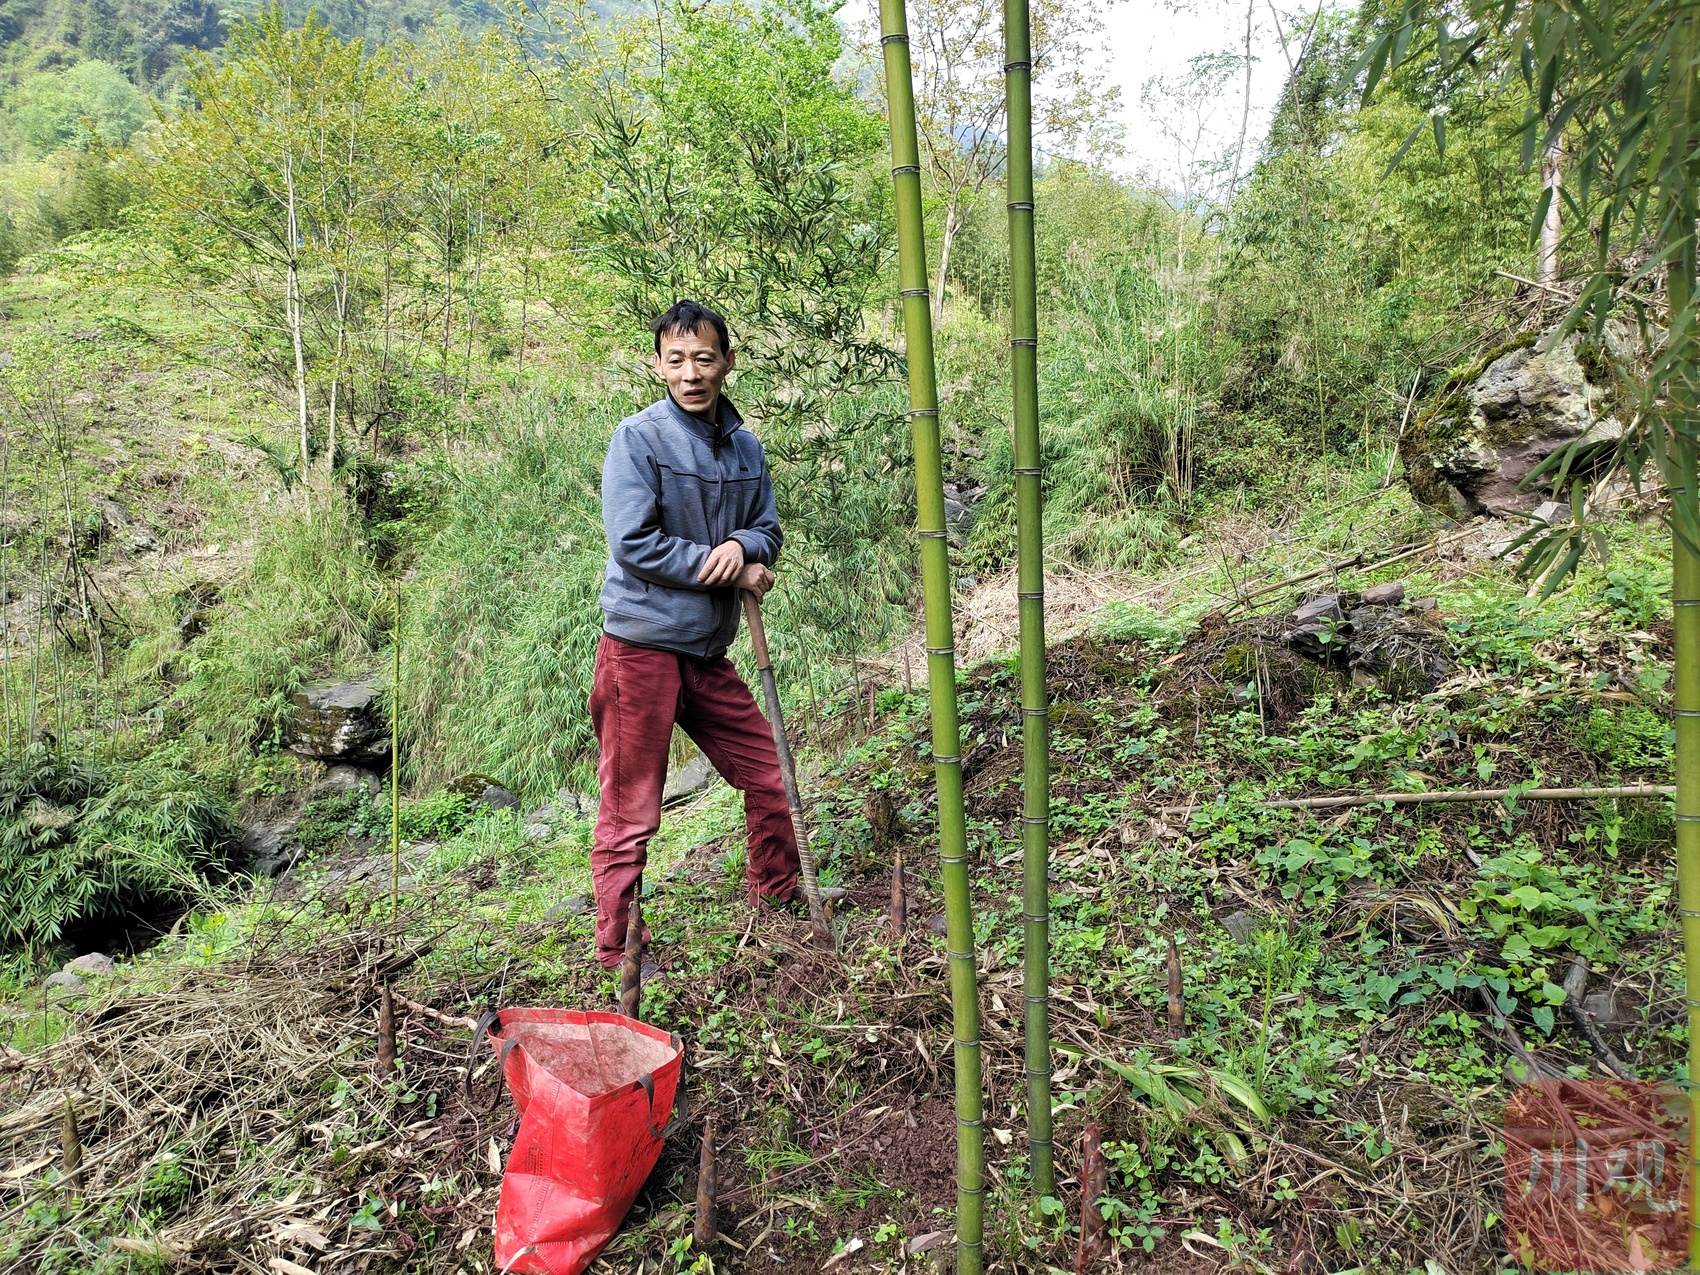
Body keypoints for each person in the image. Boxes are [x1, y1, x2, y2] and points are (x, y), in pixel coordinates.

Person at [589, 299, 802, 969]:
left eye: (704, 358)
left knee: (771, 774)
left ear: (727, 362)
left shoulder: (745, 447)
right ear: (658, 365)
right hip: (640, 649)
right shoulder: (639, 438)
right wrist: (725, 565)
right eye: (677, 359)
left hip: (708, 652)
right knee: (631, 810)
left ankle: (777, 897)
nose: (691, 373)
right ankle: (620, 950)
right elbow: (633, 542)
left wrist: (745, 545)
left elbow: (767, 528)